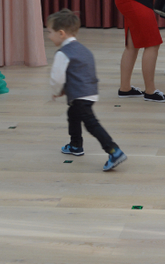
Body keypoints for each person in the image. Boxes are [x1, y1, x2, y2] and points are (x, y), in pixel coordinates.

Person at [48, 9, 127, 172]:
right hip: (91, 91)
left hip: (79, 95)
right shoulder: (84, 49)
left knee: (91, 124)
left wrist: (56, 91)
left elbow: (57, 78)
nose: (49, 36)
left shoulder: (63, 53)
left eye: (50, 32)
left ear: (61, 33)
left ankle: (114, 151)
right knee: (73, 114)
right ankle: (75, 145)